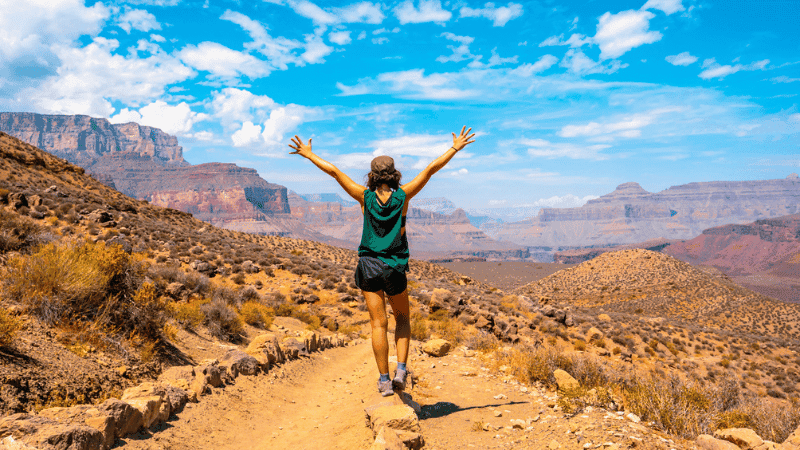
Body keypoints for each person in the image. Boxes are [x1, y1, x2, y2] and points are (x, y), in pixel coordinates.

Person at [289, 126, 476, 396]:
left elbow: (334, 172)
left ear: (373, 176)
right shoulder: (404, 195)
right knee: (402, 320)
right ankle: (401, 370)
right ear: (394, 173)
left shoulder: (363, 196)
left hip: (369, 266)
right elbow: (431, 169)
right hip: (394, 266)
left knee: (378, 324)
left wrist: (309, 154)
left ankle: (384, 381)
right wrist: (455, 147)